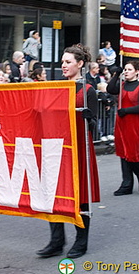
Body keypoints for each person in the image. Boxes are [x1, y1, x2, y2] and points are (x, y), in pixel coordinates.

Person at [36, 44, 100, 259]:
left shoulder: (88, 90)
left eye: (68, 62)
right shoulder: (57, 88)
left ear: (80, 64)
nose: (63, 66)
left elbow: (93, 124)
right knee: (53, 194)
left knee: (79, 195)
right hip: (56, 148)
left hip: (78, 149)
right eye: (62, 62)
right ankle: (56, 241)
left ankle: (81, 242)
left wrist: (84, 116)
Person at [107, 60, 139, 196]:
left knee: (132, 154)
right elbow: (110, 89)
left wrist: (127, 111)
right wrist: (116, 74)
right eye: (125, 69)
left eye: (129, 70)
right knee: (123, 153)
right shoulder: (122, 85)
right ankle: (126, 184)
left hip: (134, 123)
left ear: (136, 72)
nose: (126, 72)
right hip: (122, 123)